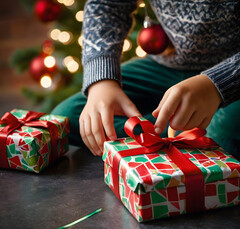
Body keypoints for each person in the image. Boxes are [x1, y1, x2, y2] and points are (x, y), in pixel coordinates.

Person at [52, 0, 240, 159]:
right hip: (165, 65)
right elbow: (106, 6)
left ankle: (177, 131)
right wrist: (102, 82)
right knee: (67, 118)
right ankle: (171, 133)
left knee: (220, 138)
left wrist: (219, 83)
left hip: (233, 79)